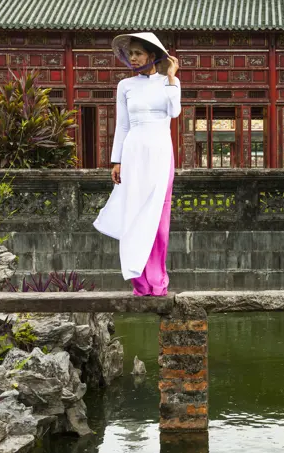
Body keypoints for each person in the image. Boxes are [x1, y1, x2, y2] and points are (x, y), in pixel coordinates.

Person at [93, 32, 181, 297]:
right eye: (130, 53)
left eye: (138, 53)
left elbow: (174, 112)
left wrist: (172, 76)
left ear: (152, 56)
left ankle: (158, 281)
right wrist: (116, 160)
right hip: (133, 152)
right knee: (134, 213)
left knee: (159, 218)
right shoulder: (125, 86)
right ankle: (140, 283)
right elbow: (122, 125)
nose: (132, 57)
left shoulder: (169, 82)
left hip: (160, 152)